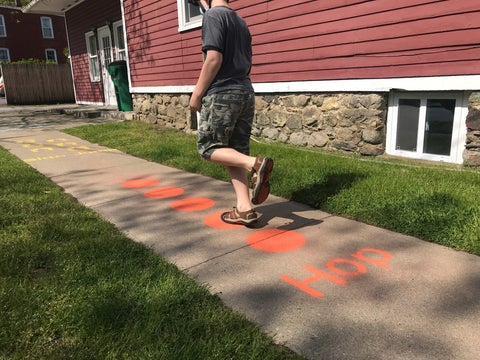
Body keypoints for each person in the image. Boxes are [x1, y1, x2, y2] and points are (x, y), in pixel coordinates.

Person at [189, 0, 273, 226]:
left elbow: (213, 59)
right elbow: (247, 63)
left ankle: (255, 164)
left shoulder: (213, 16)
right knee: (233, 151)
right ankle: (245, 209)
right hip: (245, 92)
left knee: (208, 147)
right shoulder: (241, 22)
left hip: (222, 93)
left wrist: (197, 94)